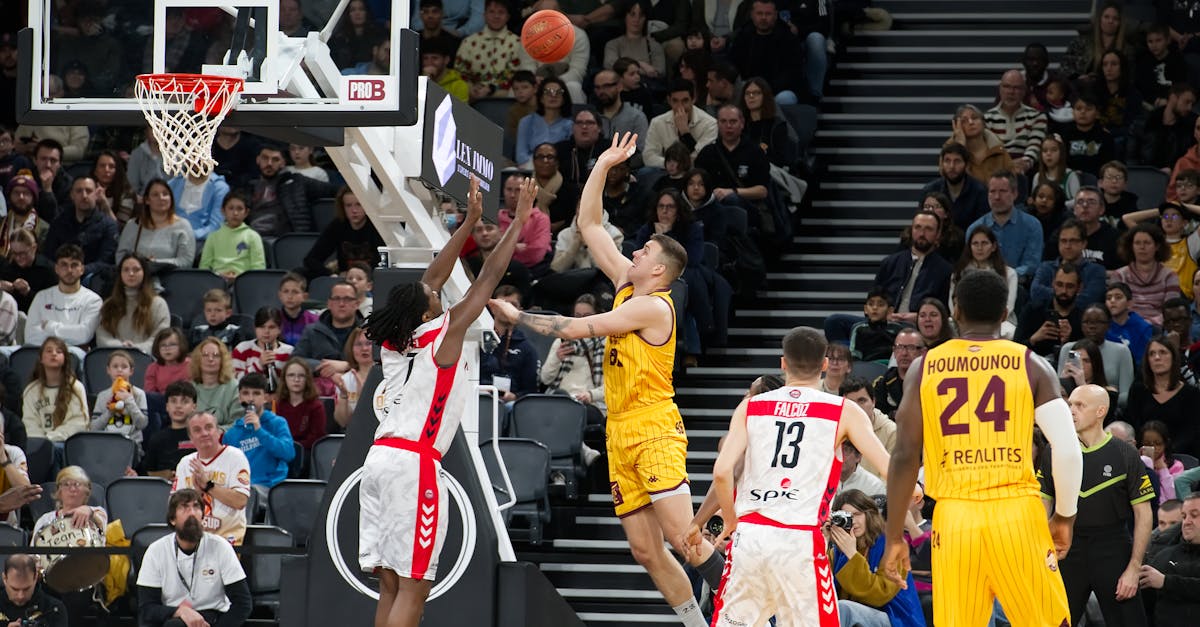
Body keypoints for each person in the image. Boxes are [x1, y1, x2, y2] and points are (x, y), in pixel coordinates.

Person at [489, 134, 728, 626]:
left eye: (643, 251)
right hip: (620, 429)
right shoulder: (626, 282)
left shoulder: (652, 305)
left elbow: (575, 327)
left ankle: (753, 608)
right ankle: (695, 622)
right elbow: (589, 223)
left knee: (684, 537)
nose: (634, 252)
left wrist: (518, 314)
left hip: (653, 425)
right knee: (645, 550)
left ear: (659, 269)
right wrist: (600, 164)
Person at [358, 175, 530, 627]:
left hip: (377, 460)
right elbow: (488, 277)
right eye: (434, 297)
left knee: (391, 583)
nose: (438, 290)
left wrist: (471, 220)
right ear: (425, 312)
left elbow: (431, 276)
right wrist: (519, 221)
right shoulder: (443, 334)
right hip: (414, 464)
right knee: (416, 584)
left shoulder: (394, 342)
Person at [881, 269, 1084, 627]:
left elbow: (904, 456)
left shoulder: (923, 367)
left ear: (954, 312)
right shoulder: (1030, 363)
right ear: (1005, 315)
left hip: (955, 519)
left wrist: (894, 534)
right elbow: (1068, 448)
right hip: (1016, 514)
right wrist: (1065, 516)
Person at [682, 326, 899, 627]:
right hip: (800, 541)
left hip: (751, 537)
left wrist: (729, 520)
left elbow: (721, 472)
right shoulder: (843, 411)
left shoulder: (750, 407)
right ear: (824, 365)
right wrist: (915, 488)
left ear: (783, 363)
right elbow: (890, 469)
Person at [1042, 384, 1153, 625]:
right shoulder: (1054, 451)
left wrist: (1134, 569)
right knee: (1052, 620)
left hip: (1112, 546)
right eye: (1069, 404)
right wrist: (1041, 555)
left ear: (1101, 411)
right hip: (1067, 548)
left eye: (1079, 405)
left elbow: (1144, 514)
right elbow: (1043, 505)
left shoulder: (1125, 453)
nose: (1071, 410)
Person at [136, 489, 252, 627]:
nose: (192, 513)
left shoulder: (221, 547)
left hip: (212, 618)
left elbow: (243, 604)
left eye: (196, 507)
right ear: (172, 519)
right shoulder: (156, 551)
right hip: (171, 616)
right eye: (184, 507)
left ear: (203, 516)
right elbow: (147, 608)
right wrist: (181, 611)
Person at [829, 490, 926, 627]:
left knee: (844, 609)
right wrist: (824, 539)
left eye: (857, 514)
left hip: (896, 617)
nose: (853, 522)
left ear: (869, 515)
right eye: (846, 516)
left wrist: (852, 555)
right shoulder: (838, 551)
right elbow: (821, 588)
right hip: (861, 617)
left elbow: (879, 596)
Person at [171, 412, 251, 545]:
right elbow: (174, 509)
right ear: (191, 438)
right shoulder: (185, 463)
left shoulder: (235, 457)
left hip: (228, 540)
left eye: (209, 427)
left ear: (219, 432)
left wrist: (208, 485)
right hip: (192, 540)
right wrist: (196, 494)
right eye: (197, 430)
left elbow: (240, 501)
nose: (204, 433)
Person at [966, 170, 1044, 281]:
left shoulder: (1032, 226)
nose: (997, 197)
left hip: (1019, 286)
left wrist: (1005, 277)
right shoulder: (974, 229)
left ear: (1015, 193)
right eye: (992, 191)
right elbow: (971, 265)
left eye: (1002, 191)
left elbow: (1031, 265)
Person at [222, 373, 294, 490]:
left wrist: (259, 431)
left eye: (256, 393)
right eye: (246, 393)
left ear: (265, 397)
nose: (250, 398)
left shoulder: (278, 423)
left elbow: (288, 453)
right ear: (240, 398)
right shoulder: (231, 434)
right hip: (241, 488)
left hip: (270, 487)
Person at [24, 244, 102, 350]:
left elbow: (84, 335)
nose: (69, 270)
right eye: (64, 265)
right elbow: (30, 336)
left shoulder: (93, 300)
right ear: (56, 268)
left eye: (74, 265)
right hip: (41, 352)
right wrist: (71, 334)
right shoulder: (42, 297)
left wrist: (50, 326)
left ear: (82, 269)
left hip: (75, 354)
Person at [1139, 493, 1200, 624]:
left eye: (1194, 515)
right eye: (1184, 516)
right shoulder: (1164, 556)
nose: (1187, 522)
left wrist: (1166, 582)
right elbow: (1146, 605)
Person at [303, 187, 386, 280]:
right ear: (342, 207)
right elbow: (311, 259)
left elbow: (384, 261)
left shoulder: (377, 227)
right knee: (301, 272)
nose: (354, 210)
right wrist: (331, 275)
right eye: (348, 205)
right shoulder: (338, 225)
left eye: (359, 204)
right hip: (345, 279)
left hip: (372, 278)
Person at [96, 254, 170, 353]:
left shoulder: (158, 304)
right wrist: (121, 347)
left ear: (144, 272)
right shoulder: (109, 304)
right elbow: (102, 336)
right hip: (114, 358)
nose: (131, 273)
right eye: (126, 270)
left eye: (136, 270)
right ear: (120, 273)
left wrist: (136, 349)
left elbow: (160, 337)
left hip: (147, 358)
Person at [1111, 223, 1181, 327]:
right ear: (1131, 246)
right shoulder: (1120, 275)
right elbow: (1116, 308)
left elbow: (1171, 311)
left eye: (1147, 243)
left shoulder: (1170, 276)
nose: (1142, 247)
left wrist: (1147, 324)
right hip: (1126, 327)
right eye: (1137, 243)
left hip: (1158, 329)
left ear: (1157, 246)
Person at [21, 337, 88, 446]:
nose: (54, 354)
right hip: (39, 445)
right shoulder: (31, 390)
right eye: (49, 350)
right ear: (41, 358)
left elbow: (78, 423)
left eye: (59, 351)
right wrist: (43, 443)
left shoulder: (76, 388)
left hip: (67, 444)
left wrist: (51, 438)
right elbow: (29, 423)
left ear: (65, 358)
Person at [950, 225, 1018, 325]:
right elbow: (952, 304)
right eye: (975, 243)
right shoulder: (959, 273)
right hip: (964, 323)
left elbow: (1008, 306)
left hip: (1000, 323)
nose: (979, 248)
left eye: (984, 243)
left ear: (994, 246)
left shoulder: (1009, 273)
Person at [89, 349, 149, 460]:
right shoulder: (103, 396)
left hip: (132, 444)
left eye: (124, 367)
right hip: (107, 445)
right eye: (115, 366)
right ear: (108, 370)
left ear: (131, 371)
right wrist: (110, 411)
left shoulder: (139, 394)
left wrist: (130, 401)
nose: (119, 370)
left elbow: (142, 424)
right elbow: (94, 427)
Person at [985, 70, 1048, 172]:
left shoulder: (1037, 117)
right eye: (1007, 86)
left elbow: (1034, 147)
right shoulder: (987, 118)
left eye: (1016, 88)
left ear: (1024, 91)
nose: (1011, 92)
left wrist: (1023, 164)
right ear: (1000, 89)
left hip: (1025, 169)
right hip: (996, 170)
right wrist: (1007, 165)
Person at [198, 192, 267, 282]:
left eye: (240, 209)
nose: (235, 213)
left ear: (246, 212)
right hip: (217, 283)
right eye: (231, 208)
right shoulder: (213, 236)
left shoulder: (253, 236)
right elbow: (204, 267)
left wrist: (240, 278)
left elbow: (258, 268)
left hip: (244, 284)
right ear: (223, 211)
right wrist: (219, 276)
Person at [922, 143, 990, 230]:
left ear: (966, 164)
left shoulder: (980, 192)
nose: (952, 166)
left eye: (957, 161)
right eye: (947, 161)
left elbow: (982, 229)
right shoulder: (930, 190)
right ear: (942, 164)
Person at [141, 380, 196, 480]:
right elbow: (148, 471)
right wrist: (164, 475)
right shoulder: (157, 438)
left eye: (185, 401)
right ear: (167, 406)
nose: (178, 406)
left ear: (194, 407)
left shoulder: (200, 436)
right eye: (173, 401)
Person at [231, 307, 292, 390]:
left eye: (271, 327)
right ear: (255, 328)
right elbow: (235, 382)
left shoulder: (289, 352)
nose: (266, 331)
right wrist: (258, 366)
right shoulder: (242, 349)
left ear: (279, 329)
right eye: (262, 327)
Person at [274, 358, 327, 451]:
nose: (296, 379)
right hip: (281, 451)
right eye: (291, 375)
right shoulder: (278, 404)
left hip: (306, 453)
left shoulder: (316, 406)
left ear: (307, 379)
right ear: (284, 379)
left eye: (301, 376)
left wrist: (292, 447)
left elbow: (316, 437)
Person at [0, 554, 66, 627]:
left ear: (35, 578)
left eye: (26, 589)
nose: (20, 596)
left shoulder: (53, 609)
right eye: (15, 589)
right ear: (4, 579)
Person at [189, 338, 242, 427]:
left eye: (216, 355)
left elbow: (238, 423)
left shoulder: (234, 387)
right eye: (205, 355)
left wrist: (218, 432)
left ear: (223, 360)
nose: (210, 359)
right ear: (198, 359)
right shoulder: (190, 387)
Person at [0, 229, 55, 314]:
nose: (18, 258)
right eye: (14, 253)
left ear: (34, 248)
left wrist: (28, 292)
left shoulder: (48, 271)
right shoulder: (9, 266)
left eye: (22, 253)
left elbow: (51, 306)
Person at [332, 328, 374, 429]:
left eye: (369, 343)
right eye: (358, 344)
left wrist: (364, 396)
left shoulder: (386, 376)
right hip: (354, 433)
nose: (364, 348)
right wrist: (343, 395)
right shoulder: (345, 380)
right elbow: (343, 422)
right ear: (351, 348)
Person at [1140, 420, 1187, 503]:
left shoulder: (1176, 466)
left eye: (1157, 443)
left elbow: (1173, 497)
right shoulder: (1136, 463)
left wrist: (1163, 470)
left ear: (1165, 444)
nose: (1153, 448)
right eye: (1147, 444)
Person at [144, 328, 190, 395]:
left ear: (181, 345)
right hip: (160, 402)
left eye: (172, 344)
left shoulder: (191, 365)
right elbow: (149, 394)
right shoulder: (153, 368)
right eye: (163, 345)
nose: (167, 349)